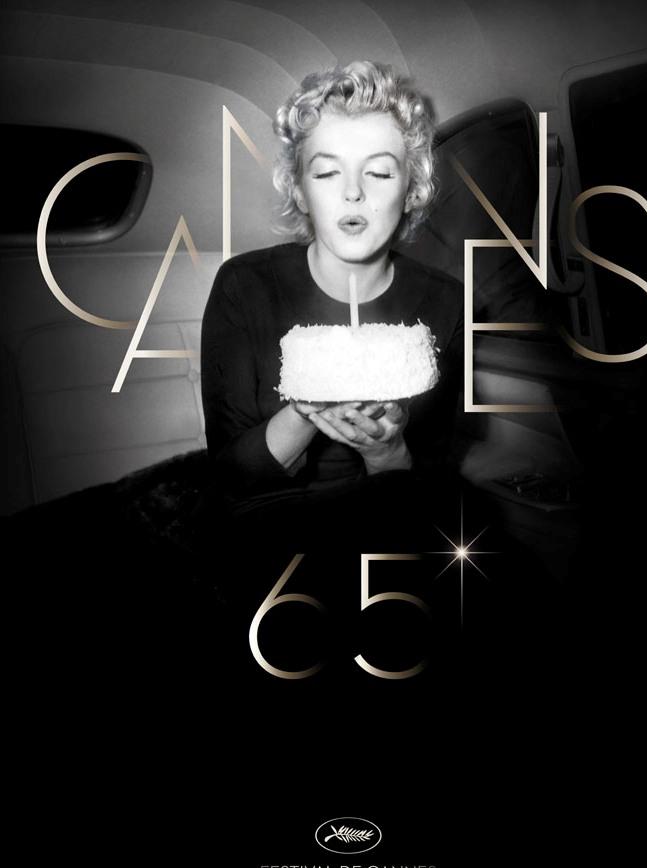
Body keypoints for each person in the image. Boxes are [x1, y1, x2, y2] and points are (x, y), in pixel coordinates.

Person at [190, 60, 540, 637]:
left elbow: (431, 471)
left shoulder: (446, 301)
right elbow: (231, 474)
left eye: (379, 173)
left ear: (412, 190)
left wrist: (386, 450)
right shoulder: (243, 286)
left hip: (388, 507)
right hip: (266, 519)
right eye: (327, 173)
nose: (353, 192)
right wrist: (305, 409)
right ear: (300, 191)